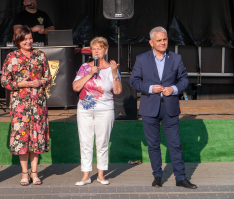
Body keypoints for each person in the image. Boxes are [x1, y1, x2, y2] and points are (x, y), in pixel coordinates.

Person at [130, 26, 197, 189]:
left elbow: (184, 80)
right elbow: (134, 81)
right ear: (151, 42)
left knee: (175, 144)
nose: (162, 43)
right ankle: (157, 176)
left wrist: (173, 89)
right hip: (149, 108)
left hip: (170, 108)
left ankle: (180, 178)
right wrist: (149, 88)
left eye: (165, 39)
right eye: (158, 40)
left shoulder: (176, 58)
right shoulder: (141, 59)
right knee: (153, 145)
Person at [1, 25, 52, 186]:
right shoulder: (11, 57)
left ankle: (35, 173)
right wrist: (20, 83)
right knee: (22, 139)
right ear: (18, 40)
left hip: (38, 102)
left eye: (30, 38)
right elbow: (4, 80)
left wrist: (41, 81)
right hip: (20, 105)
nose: (29, 41)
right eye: (25, 39)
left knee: (36, 138)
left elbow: (48, 77)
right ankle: (24, 173)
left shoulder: (40, 55)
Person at [72, 37, 122, 186]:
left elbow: (118, 91)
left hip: (105, 110)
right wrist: (89, 73)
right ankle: (86, 175)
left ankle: (101, 175)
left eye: (99, 48)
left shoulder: (112, 68)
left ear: (105, 51)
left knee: (102, 142)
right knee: (85, 142)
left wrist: (114, 73)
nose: (96, 51)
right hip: (84, 110)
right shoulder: (85, 67)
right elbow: (75, 87)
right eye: (94, 48)